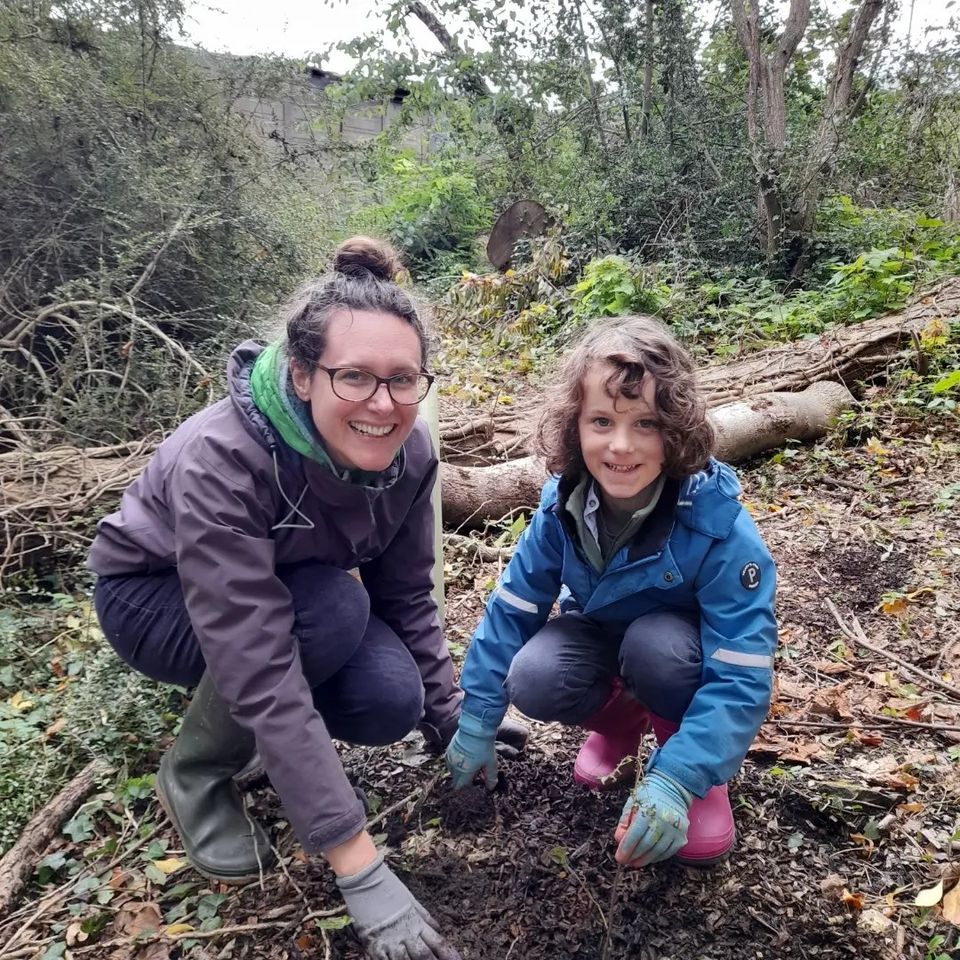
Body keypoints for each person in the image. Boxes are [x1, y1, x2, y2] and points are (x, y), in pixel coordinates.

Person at [88, 237, 509, 960]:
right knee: (327, 612)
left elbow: (407, 594)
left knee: (389, 700)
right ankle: (196, 771)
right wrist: (357, 860)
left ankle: (277, 748)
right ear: (306, 375)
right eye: (356, 378)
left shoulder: (412, 454)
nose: (383, 405)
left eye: (404, 380)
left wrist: (452, 718)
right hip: (153, 598)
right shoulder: (222, 459)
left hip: (298, 596)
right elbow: (256, 657)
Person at [445, 315, 778, 869]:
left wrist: (681, 779)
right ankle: (619, 724)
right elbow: (513, 608)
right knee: (535, 675)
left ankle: (687, 766)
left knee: (657, 649)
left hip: (680, 658)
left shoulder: (720, 525)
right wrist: (478, 714)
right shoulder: (561, 504)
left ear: (675, 430)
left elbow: (742, 668)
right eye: (601, 420)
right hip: (599, 635)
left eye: (645, 423)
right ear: (575, 426)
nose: (621, 446)